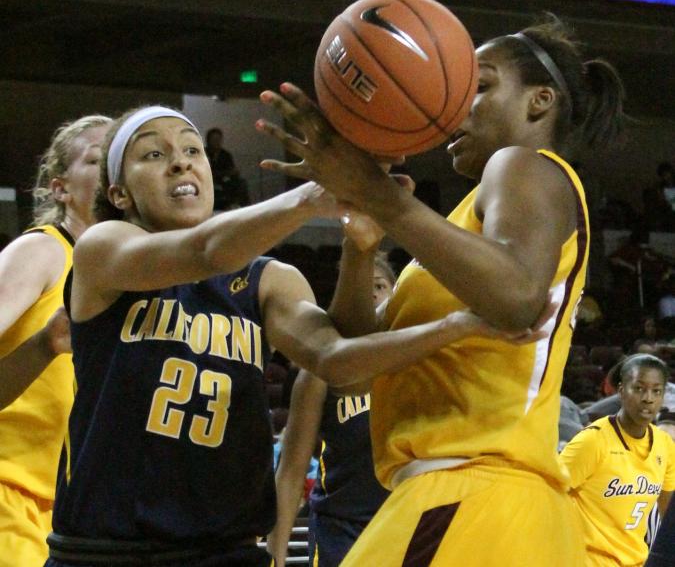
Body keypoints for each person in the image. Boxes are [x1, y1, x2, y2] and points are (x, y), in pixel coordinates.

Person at [45, 106, 545, 566]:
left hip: (226, 552)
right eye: (154, 154)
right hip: (103, 552)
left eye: (192, 149)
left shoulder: (268, 280)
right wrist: (314, 193)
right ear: (119, 194)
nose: (180, 164)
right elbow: (208, 251)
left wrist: (448, 318)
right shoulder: (102, 249)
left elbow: (339, 364)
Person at [256, 15, 627, 565]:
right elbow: (355, 363)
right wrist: (361, 243)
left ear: (539, 102)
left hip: (473, 491)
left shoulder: (525, 164)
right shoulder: (458, 226)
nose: (457, 106)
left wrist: (380, 194)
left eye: (479, 86)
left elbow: (518, 296)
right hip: (466, 500)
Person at [0, 114, 111, 566]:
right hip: (11, 496)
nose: (110, 174)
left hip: (75, 517)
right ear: (61, 187)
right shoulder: (43, 250)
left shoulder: (127, 274)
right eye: (96, 160)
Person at [267, 253, 396, 566]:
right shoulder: (321, 372)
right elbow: (292, 470)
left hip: (402, 517)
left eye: (379, 285)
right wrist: (276, 555)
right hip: (341, 526)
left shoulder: (417, 359)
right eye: (361, 287)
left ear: (396, 292)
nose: (371, 294)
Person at [560, 354, 675, 566]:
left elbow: (668, 515)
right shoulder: (592, 441)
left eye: (656, 391)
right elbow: (547, 496)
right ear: (621, 392)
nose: (648, 398)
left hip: (636, 561)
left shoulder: (664, 444)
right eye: (639, 388)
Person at [205, 127, 250, 211]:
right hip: (209, 180)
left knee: (240, 183)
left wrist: (233, 172)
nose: (216, 142)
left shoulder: (225, 154)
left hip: (224, 180)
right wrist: (224, 173)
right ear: (208, 140)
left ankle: (239, 207)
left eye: (218, 139)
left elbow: (231, 169)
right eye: (214, 139)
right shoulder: (203, 153)